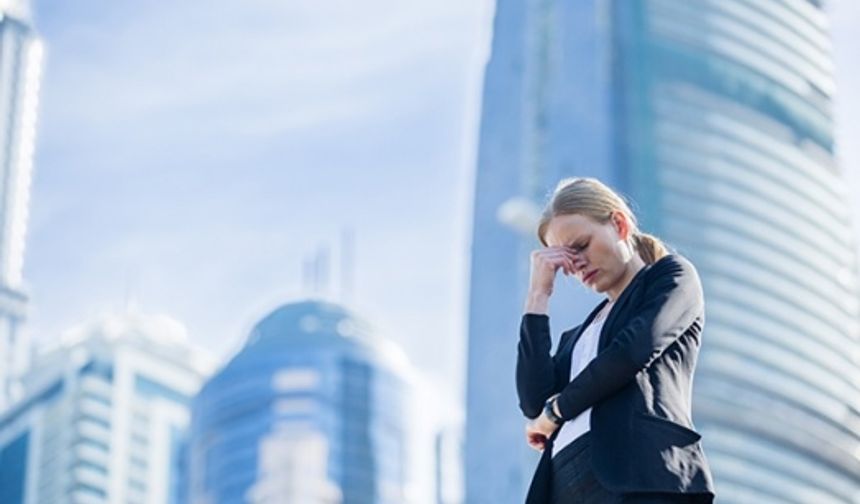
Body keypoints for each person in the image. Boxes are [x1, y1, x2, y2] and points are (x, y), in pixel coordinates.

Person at [516, 177, 716, 503]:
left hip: (639, 477)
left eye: (580, 246)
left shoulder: (672, 277)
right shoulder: (576, 338)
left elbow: (631, 352)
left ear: (619, 224)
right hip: (563, 486)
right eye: (565, 259)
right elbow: (532, 402)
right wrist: (538, 295)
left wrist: (556, 412)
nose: (576, 264)